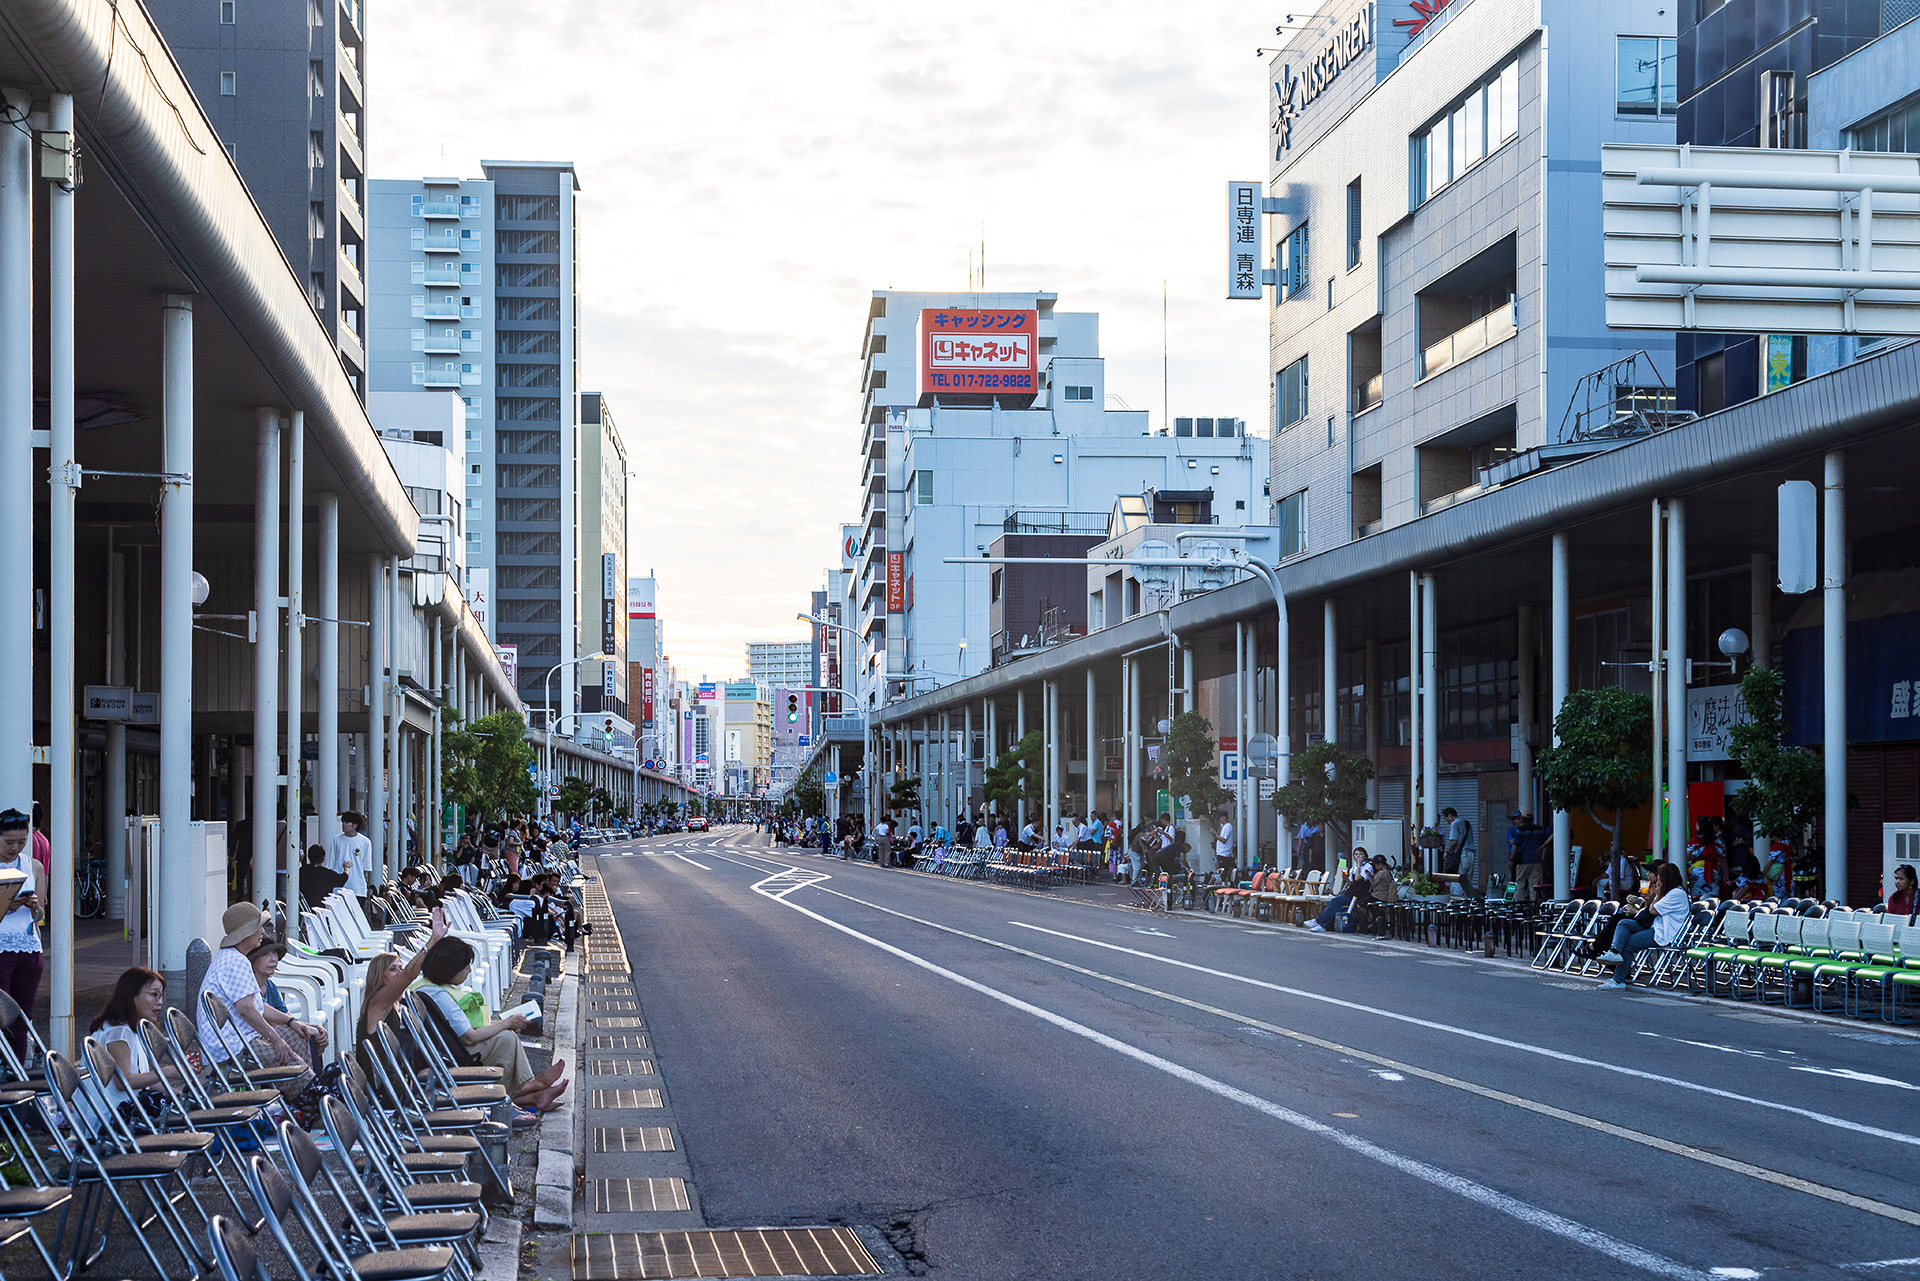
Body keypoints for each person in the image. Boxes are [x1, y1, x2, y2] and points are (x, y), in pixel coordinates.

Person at [412, 935, 566, 1113]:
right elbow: (470, 1037)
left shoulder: (426, 987)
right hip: (456, 1054)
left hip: (445, 1048)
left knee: (505, 1035)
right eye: (466, 966)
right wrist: (507, 1022)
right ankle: (529, 1087)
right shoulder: (441, 996)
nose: (469, 970)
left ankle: (534, 1096)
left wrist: (504, 1024)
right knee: (506, 1039)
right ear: (452, 969)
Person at [198, 903, 322, 1069]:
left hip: (239, 1040)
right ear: (245, 934)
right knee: (294, 1063)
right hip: (232, 1048)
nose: (262, 932)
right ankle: (307, 1082)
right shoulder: (236, 961)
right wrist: (276, 1040)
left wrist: (292, 1022)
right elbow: (246, 1010)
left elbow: (257, 1007)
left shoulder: (232, 957)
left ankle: (308, 1082)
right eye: (258, 927)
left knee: (300, 1035)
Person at [87, 966, 181, 1113]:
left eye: (162, 996)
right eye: (154, 994)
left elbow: (143, 1080)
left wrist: (174, 1092)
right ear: (131, 995)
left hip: (124, 1107)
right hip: (112, 1113)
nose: (160, 1001)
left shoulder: (131, 1028)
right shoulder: (119, 1032)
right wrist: (165, 1072)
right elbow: (123, 1082)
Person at [1596, 863, 1691, 990]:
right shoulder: (1670, 892)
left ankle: (1618, 980)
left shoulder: (1676, 893)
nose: (1658, 879)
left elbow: (1653, 910)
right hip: (1656, 927)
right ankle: (1614, 952)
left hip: (1665, 933)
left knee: (1628, 943)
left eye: (1660, 876)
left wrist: (1657, 894)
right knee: (1624, 923)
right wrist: (1648, 898)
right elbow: (1651, 909)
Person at [0, 810, 45, 1061]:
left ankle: (18, 1066)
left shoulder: (34, 866)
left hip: (29, 947)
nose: (15, 848)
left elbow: (41, 915)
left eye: (22, 841)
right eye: (9, 842)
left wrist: (35, 906)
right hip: (1, 947)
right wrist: (5, 905)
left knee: (23, 1014)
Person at [249, 940, 328, 1069]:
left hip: (276, 1035)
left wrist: (314, 1027)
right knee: (304, 1035)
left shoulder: (270, 986)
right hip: (258, 1040)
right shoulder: (248, 988)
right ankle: (313, 1077)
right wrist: (308, 1029)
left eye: (275, 953)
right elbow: (271, 1020)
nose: (273, 959)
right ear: (253, 961)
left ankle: (317, 1076)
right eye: (266, 954)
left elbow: (287, 1017)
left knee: (311, 1034)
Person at [1307, 849, 1373, 932]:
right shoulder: (1354, 867)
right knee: (1334, 902)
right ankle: (1322, 924)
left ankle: (1319, 922)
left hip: (1359, 893)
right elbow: (1351, 883)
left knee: (1335, 901)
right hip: (1351, 892)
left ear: (1365, 856)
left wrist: (1359, 865)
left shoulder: (1367, 866)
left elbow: (1358, 878)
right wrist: (1346, 878)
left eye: (1360, 854)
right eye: (1356, 854)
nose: (1358, 856)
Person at [327, 811, 375, 904]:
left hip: (357, 888)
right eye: (343, 822)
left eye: (347, 822)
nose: (343, 825)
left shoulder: (365, 842)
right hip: (338, 889)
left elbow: (366, 867)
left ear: (355, 825)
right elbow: (331, 864)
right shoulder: (336, 840)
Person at [300, 843, 347, 908]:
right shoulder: (328, 874)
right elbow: (343, 879)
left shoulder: (302, 870)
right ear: (323, 857)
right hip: (322, 908)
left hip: (304, 907)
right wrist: (346, 868)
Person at [1212, 810, 1235, 878]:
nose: (1219, 820)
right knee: (1221, 872)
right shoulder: (1224, 826)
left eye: (1220, 817)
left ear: (1224, 817)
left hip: (1224, 854)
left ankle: (1224, 883)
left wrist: (1215, 834)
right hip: (1221, 853)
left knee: (1223, 873)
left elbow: (1224, 840)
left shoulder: (1227, 826)